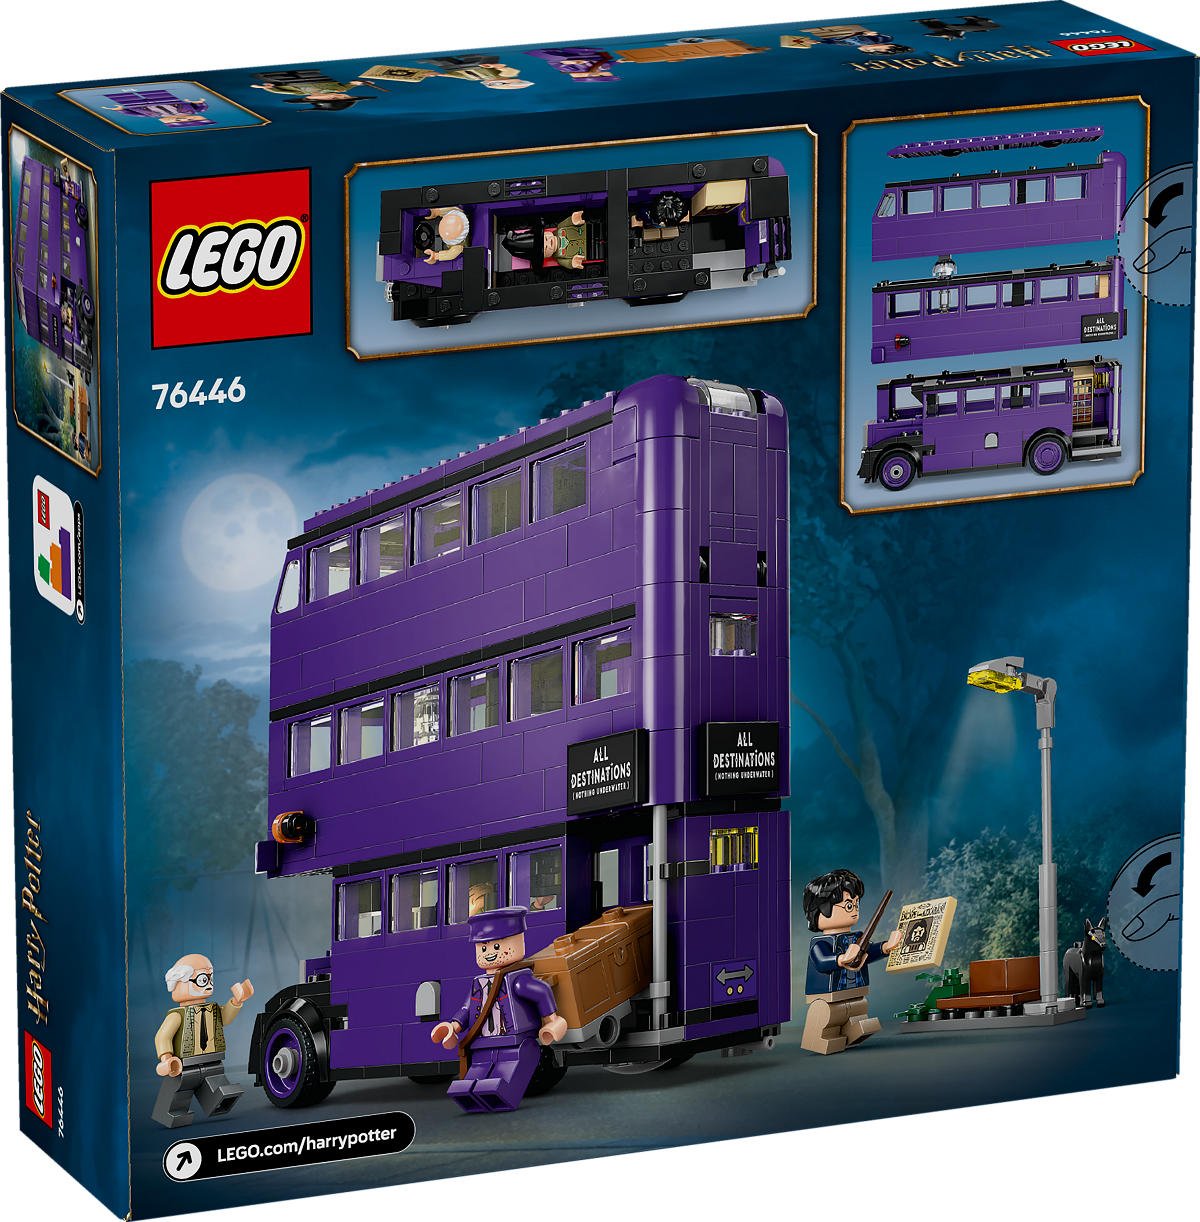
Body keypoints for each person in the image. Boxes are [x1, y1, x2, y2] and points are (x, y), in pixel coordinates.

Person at [431, 907, 567, 1112]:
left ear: (518, 941)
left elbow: (541, 992)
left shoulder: (518, 979)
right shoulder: (479, 983)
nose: (490, 953)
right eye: (483, 948)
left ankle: (499, 1098)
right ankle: (473, 1100)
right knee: (474, 1078)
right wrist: (453, 1026)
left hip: (515, 1041)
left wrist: (552, 1021)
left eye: (496, 946)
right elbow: (467, 1008)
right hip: (483, 1042)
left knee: (504, 1076)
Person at [801, 868, 901, 1054]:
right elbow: (821, 961)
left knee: (858, 1008)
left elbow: (867, 952)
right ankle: (820, 1036)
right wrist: (840, 959)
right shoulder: (821, 943)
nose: (854, 910)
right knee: (828, 1014)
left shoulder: (856, 938)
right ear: (820, 910)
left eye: (856, 904)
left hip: (853, 991)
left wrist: (885, 947)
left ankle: (851, 1030)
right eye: (848, 905)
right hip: (827, 996)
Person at [151, 953, 254, 1128]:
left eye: (209, 978)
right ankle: (171, 1114)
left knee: (219, 1090)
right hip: (183, 1065)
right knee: (179, 1092)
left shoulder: (212, 1009)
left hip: (212, 1060)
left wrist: (237, 1001)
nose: (208, 984)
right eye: (202, 980)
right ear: (182, 982)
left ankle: (216, 1103)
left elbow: (225, 1018)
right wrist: (166, 1058)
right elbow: (163, 1036)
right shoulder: (177, 1015)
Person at [501, 210, 588, 271]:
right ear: (546, 256)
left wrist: (573, 219)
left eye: (546, 238)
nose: (549, 243)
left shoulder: (561, 227)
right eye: (546, 248)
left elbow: (569, 222)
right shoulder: (560, 258)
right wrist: (573, 263)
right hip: (589, 250)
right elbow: (568, 263)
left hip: (587, 231)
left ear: (547, 232)